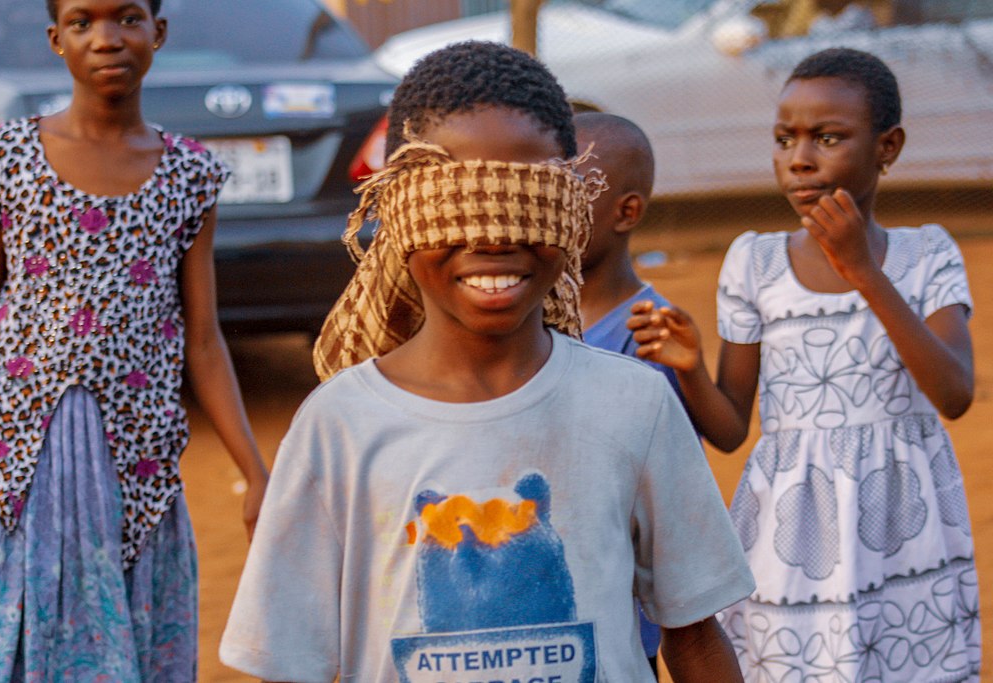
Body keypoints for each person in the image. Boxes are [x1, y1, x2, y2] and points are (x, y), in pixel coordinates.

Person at [220, 41, 753, 682]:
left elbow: (693, 636)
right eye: (460, 199)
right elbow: (291, 662)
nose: (494, 231)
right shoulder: (337, 427)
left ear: (568, 207)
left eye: (523, 196)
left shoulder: (634, 405)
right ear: (402, 212)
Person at [628, 47, 979, 681]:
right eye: (785, 139)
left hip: (902, 521)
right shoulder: (753, 262)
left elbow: (954, 393)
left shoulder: (927, 253)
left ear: (887, 147)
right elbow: (733, 428)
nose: (800, 159)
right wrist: (690, 369)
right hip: (792, 529)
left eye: (828, 137)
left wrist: (864, 274)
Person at [0, 0, 269, 679]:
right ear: (56, 39)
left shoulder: (189, 174)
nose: (107, 38)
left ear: (157, 33)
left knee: (132, 623)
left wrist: (255, 470)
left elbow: (204, 339)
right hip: (23, 446)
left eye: (127, 17)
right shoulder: (2, 157)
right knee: (16, 622)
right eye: (83, 22)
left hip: (138, 449)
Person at [573, 111, 686, 677]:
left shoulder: (649, 330)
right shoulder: (531, 319)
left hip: (619, 615)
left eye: (576, 189)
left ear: (628, 211)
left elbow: (664, 496)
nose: (554, 206)